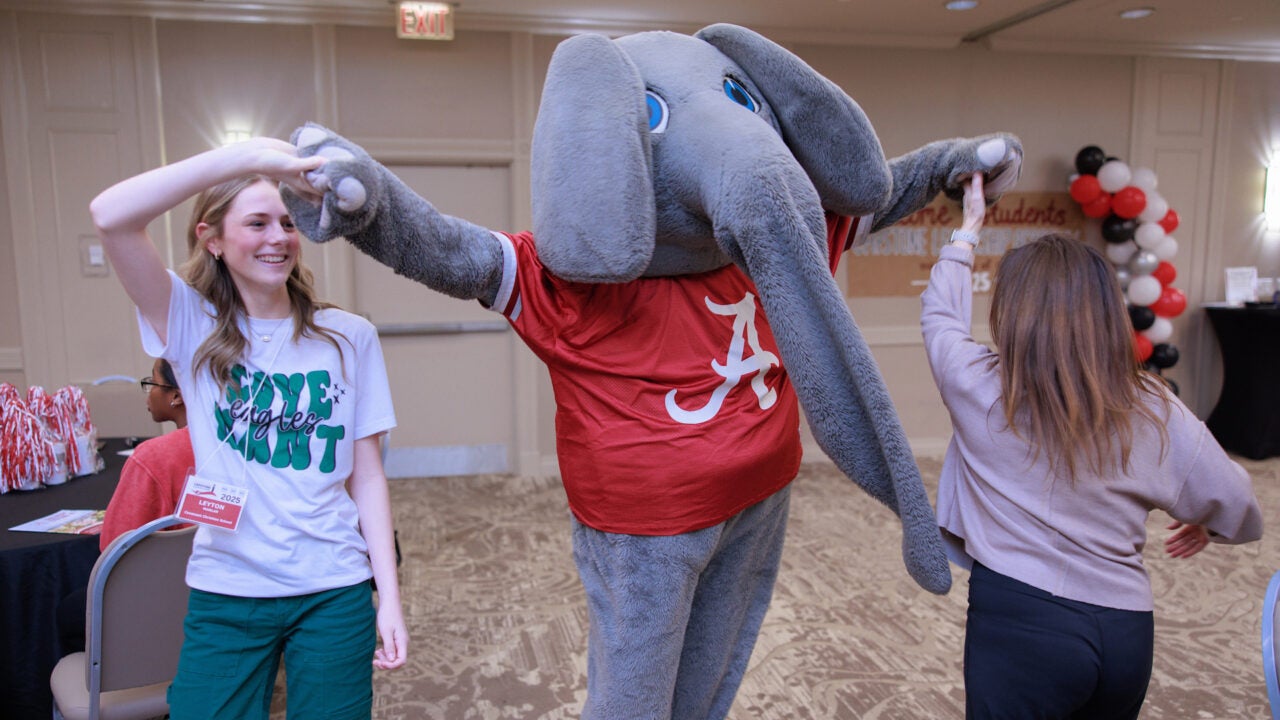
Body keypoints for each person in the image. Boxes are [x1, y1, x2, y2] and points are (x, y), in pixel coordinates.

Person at [921, 173, 1263, 719]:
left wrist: (969, 229)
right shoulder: (1153, 406)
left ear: (1010, 316)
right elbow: (1238, 500)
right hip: (1125, 634)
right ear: (1108, 313)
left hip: (1020, 629)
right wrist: (1213, 523)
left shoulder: (978, 386)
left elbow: (939, 317)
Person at [89, 137, 407, 719]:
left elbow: (367, 476)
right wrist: (251, 160)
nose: (278, 237)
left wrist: (388, 596)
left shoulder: (348, 336)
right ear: (212, 240)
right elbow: (110, 216)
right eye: (256, 223)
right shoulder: (190, 322)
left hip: (334, 584)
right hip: (228, 586)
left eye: (287, 222)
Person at [99, 358, 194, 550]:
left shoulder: (153, 457)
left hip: (169, 577)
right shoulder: (250, 446)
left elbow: (115, 547)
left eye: (152, 382)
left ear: (176, 396)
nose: (149, 394)